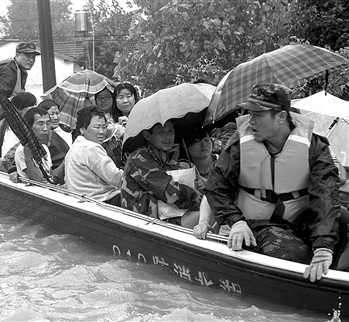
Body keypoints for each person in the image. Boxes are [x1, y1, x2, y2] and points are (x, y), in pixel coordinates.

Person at [204, 83, 347, 282]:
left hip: (298, 218)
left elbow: (326, 197)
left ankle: (327, 272)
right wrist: (236, 222)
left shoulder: (315, 147)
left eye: (258, 115)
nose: (250, 121)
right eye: (249, 113)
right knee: (295, 256)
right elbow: (215, 186)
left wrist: (323, 246)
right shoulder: (239, 146)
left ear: (281, 117)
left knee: (343, 218)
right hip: (256, 223)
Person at [121, 120, 201, 227]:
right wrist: (201, 198)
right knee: (208, 207)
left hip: (164, 215)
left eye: (171, 131)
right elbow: (170, 192)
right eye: (161, 132)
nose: (168, 137)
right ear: (147, 136)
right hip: (146, 223)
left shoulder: (161, 157)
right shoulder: (140, 159)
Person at [64, 106, 123, 206]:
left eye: (104, 127)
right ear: (82, 129)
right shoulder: (90, 148)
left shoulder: (75, 147)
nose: (101, 132)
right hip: (101, 202)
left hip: (83, 202)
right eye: (96, 127)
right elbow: (117, 178)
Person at [13, 107, 63, 182]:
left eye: (48, 123)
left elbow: (49, 175)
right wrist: (28, 159)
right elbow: (38, 180)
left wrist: (64, 164)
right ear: (29, 127)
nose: (45, 128)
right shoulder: (22, 150)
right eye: (40, 124)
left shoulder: (44, 148)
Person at [37, 100, 70, 171]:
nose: (56, 117)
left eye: (57, 113)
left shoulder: (66, 132)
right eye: (52, 114)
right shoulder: (39, 134)